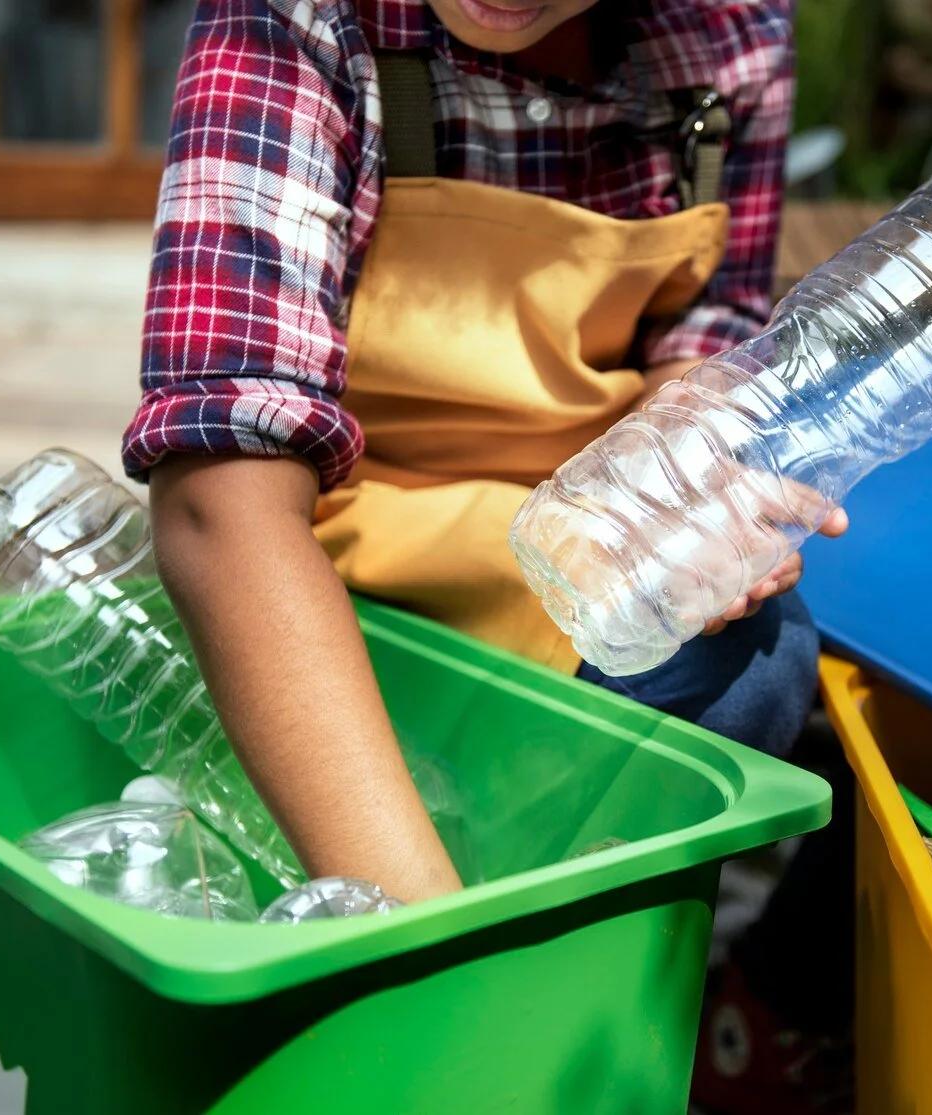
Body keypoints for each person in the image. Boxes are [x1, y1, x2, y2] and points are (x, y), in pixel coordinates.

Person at [125, 1, 852, 1110]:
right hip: (332, 559)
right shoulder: (302, 20)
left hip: (563, 541)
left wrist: (692, 464)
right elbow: (221, 502)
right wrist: (428, 955)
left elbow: (707, 325)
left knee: (756, 658)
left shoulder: (728, 33)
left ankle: (606, 1012)